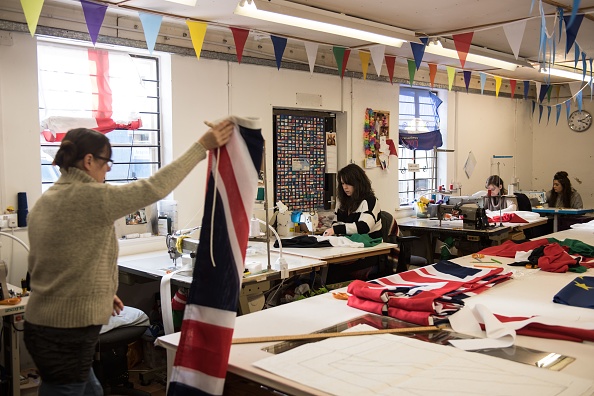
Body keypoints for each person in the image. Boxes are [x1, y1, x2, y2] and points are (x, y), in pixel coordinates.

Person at [24, 120, 233, 396]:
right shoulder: (90, 197)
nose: (109, 168)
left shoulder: (48, 199)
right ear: (88, 160)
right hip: (66, 330)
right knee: (67, 389)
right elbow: (153, 188)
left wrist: (101, 293)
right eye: (106, 161)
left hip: (44, 324)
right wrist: (200, 147)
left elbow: (57, 262)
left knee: (89, 389)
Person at [323, 164, 382, 283]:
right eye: (343, 184)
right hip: (348, 248)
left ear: (358, 182)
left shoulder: (370, 201)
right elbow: (336, 223)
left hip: (367, 251)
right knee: (325, 268)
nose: (345, 187)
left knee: (332, 271)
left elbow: (364, 227)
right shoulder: (342, 201)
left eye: (348, 183)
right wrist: (334, 230)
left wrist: (337, 230)